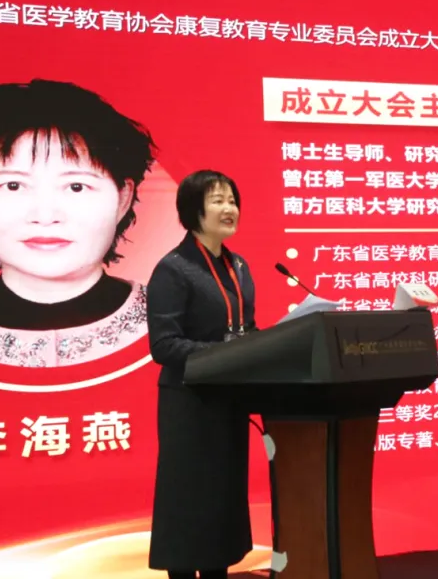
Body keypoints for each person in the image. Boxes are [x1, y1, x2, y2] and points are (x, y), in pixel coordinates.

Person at [0, 79, 155, 367]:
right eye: (13, 186)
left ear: (123, 198)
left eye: (76, 187)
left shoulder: (184, 319)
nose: (45, 216)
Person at [146, 170, 256, 579]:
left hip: (229, 400)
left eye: (232, 200)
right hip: (189, 404)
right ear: (194, 210)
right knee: (188, 501)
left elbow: (245, 329)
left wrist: (268, 343)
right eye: (218, 201)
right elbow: (164, 345)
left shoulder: (238, 266)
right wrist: (226, 352)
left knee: (221, 502)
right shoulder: (173, 269)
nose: (229, 209)